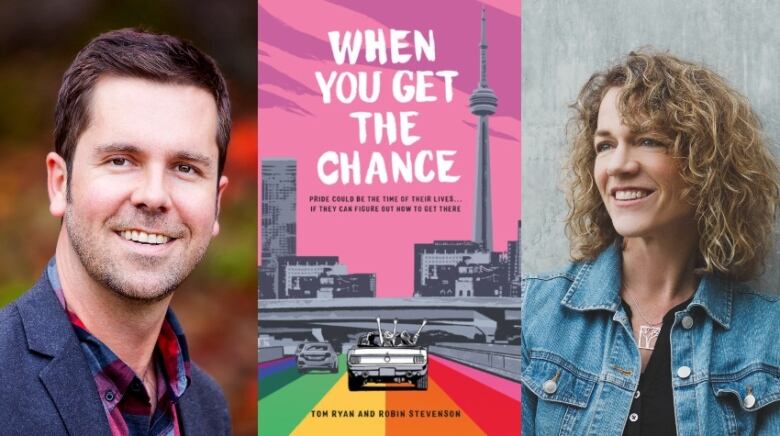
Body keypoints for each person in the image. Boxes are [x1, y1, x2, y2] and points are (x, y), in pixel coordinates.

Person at [521, 50, 780, 435]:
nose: (619, 165)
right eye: (605, 145)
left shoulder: (768, 337)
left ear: (704, 162)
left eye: (648, 140)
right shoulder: (530, 314)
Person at [0, 28, 231, 435]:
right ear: (59, 183)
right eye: (121, 160)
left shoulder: (208, 409)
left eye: (185, 168)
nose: (154, 196)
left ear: (216, 202)